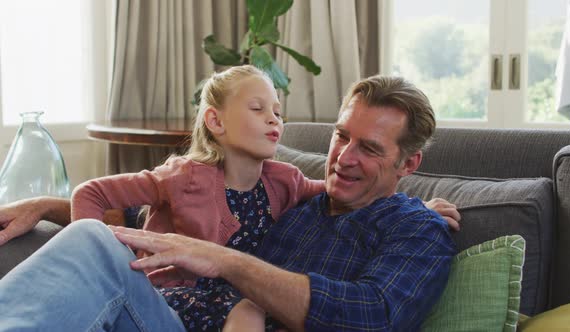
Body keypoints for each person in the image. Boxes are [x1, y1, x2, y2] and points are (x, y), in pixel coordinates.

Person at [0, 75, 459, 331]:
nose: (344, 158)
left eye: (371, 149)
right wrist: (46, 205)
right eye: (342, 136)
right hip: (179, 316)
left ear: (408, 163)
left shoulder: (417, 230)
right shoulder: (295, 195)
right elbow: (149, 218)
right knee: (91, 241)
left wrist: (227, 262)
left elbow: (374, 316)